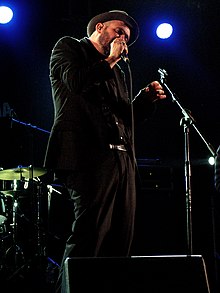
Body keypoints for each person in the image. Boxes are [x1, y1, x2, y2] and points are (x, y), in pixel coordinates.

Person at [43, 10, 166, 292]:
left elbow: (124, 114)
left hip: (121, 159)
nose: (124, 40)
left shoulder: (117, 72)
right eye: (120, 32)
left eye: (127, 38)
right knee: (90, 234)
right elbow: (75, 82)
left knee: (120, 237)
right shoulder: (69, 47)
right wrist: (110, 59)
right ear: (100, 27)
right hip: (86, 157)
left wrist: (145, 99)